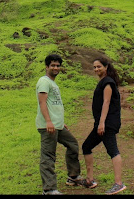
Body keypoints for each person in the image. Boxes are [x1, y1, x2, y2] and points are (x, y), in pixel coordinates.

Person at [36, 53, 87, 195]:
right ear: (47, 67)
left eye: (58, 65)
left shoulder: (52, 83)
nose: (55, 68)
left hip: (57, 125)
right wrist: (48, 121)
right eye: (52, 65)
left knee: (72, 145)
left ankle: (73, 177)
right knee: (48, 156)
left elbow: (54, 105)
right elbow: (42, 102)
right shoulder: (44, 81)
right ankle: (49, 189)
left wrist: (60, 122)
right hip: (48, 126)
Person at [81, 58, 127, 195]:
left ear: (106, 67)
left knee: (113, 150)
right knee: (86, 146)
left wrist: (101, 123)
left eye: (99, 67)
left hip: (106, 124)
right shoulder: (104, 82)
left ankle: (119, 184)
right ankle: (90, 179)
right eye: (94, 67)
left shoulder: (108, 82)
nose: (96, 70)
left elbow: (106, 102)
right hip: (102, 123)